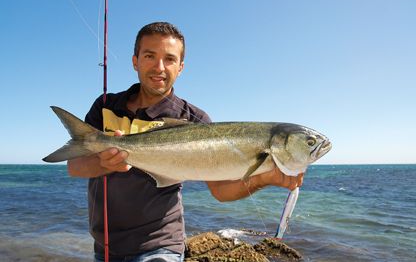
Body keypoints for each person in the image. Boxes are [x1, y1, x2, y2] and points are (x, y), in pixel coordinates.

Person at [68, 22, 304, 262]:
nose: (159, 67)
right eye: (150, 56)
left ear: (180, 67)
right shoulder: (106, 105)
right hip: (105, 245)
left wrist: (265, 178)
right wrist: (105, 163)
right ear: (135, 60)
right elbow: (75, 166)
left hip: (161, 244)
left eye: (169, 59)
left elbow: (220, 191)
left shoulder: (196, 120)